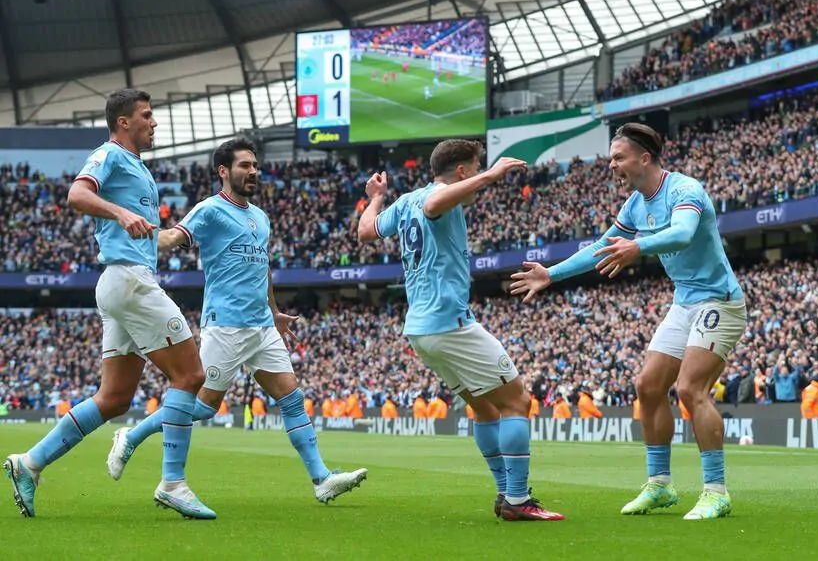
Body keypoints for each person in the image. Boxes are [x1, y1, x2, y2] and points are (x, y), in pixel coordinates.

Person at [107, 138, 366, 504]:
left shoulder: (260, 217)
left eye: (255, 166)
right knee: (202, 407)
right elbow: (171, 237)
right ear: (224, 171)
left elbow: (263, 267)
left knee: (292, 398)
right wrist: (138, 233)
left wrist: (274, 311)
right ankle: (131, 436)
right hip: (225, 324)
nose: (253, 172)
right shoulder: (210, 210)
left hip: (261, 325)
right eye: (245, 165)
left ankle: (321, 478)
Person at [511, 123, 747, 520]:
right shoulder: (635, 205)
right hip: (685, 300)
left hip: (719, 302)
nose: (612, 166)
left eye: (618, 158)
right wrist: (551, 274)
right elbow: (602, 247)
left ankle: (716, 492)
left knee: (690, 389)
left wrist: (638, 246)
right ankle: (659, 485)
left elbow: (683, 233)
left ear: (645, 158)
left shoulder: (685, 190)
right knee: (648, 386)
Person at [3, 89, 215, 520]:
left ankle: (30, 462)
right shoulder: (110, 154)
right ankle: (173, 483)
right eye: (147, 115)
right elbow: (77, 195)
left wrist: (179, 230)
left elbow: (149, 231)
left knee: (115, 398)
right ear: (123, 122)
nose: (154, 123)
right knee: (191, 374)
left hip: (123, 284)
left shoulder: (136, 166)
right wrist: (119, 214)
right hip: (129, 282)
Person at [357, 139, 562, 522]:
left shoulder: (404, 202)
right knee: (517, 401)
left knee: (485, 408)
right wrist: (492, 174)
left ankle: (506, 493)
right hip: (449, 322)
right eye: (477, 165)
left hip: (420, 330)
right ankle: (518, 499)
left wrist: (376, 198)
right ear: (464, 171)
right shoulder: (435, 197)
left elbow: (366, 232)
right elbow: (436, 205)